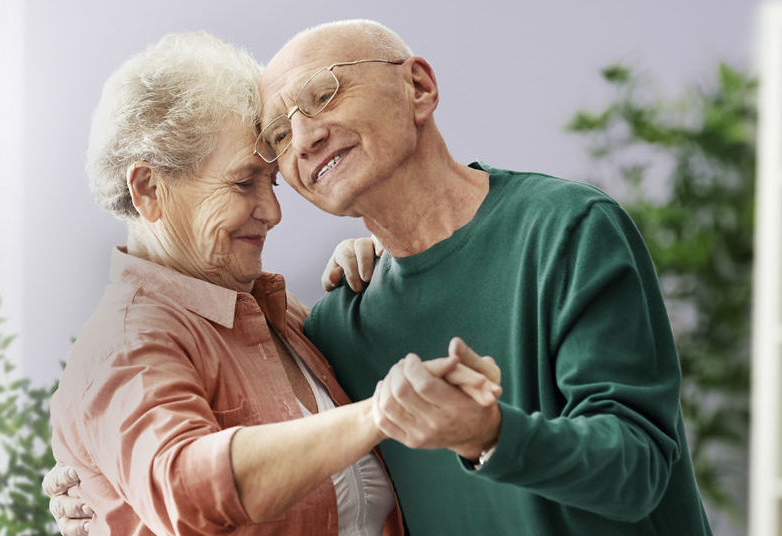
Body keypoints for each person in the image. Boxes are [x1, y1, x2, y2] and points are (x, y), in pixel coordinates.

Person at [49, 19, 713, 535]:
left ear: (418, 87)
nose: (303, 138)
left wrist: (489, 434)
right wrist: (100, 479)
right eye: (278, 136)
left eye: (323, 94)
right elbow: (178, 478)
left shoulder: (565, 231)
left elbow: (640, 470)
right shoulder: (341, 323)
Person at [46, 31, 499, 536]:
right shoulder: (125, 342)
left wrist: (380, 259)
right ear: (150, 189)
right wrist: (380, 412)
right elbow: (186, 488)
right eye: (243, 183)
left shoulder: (280, 317)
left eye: (272, 182)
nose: (274, 212)